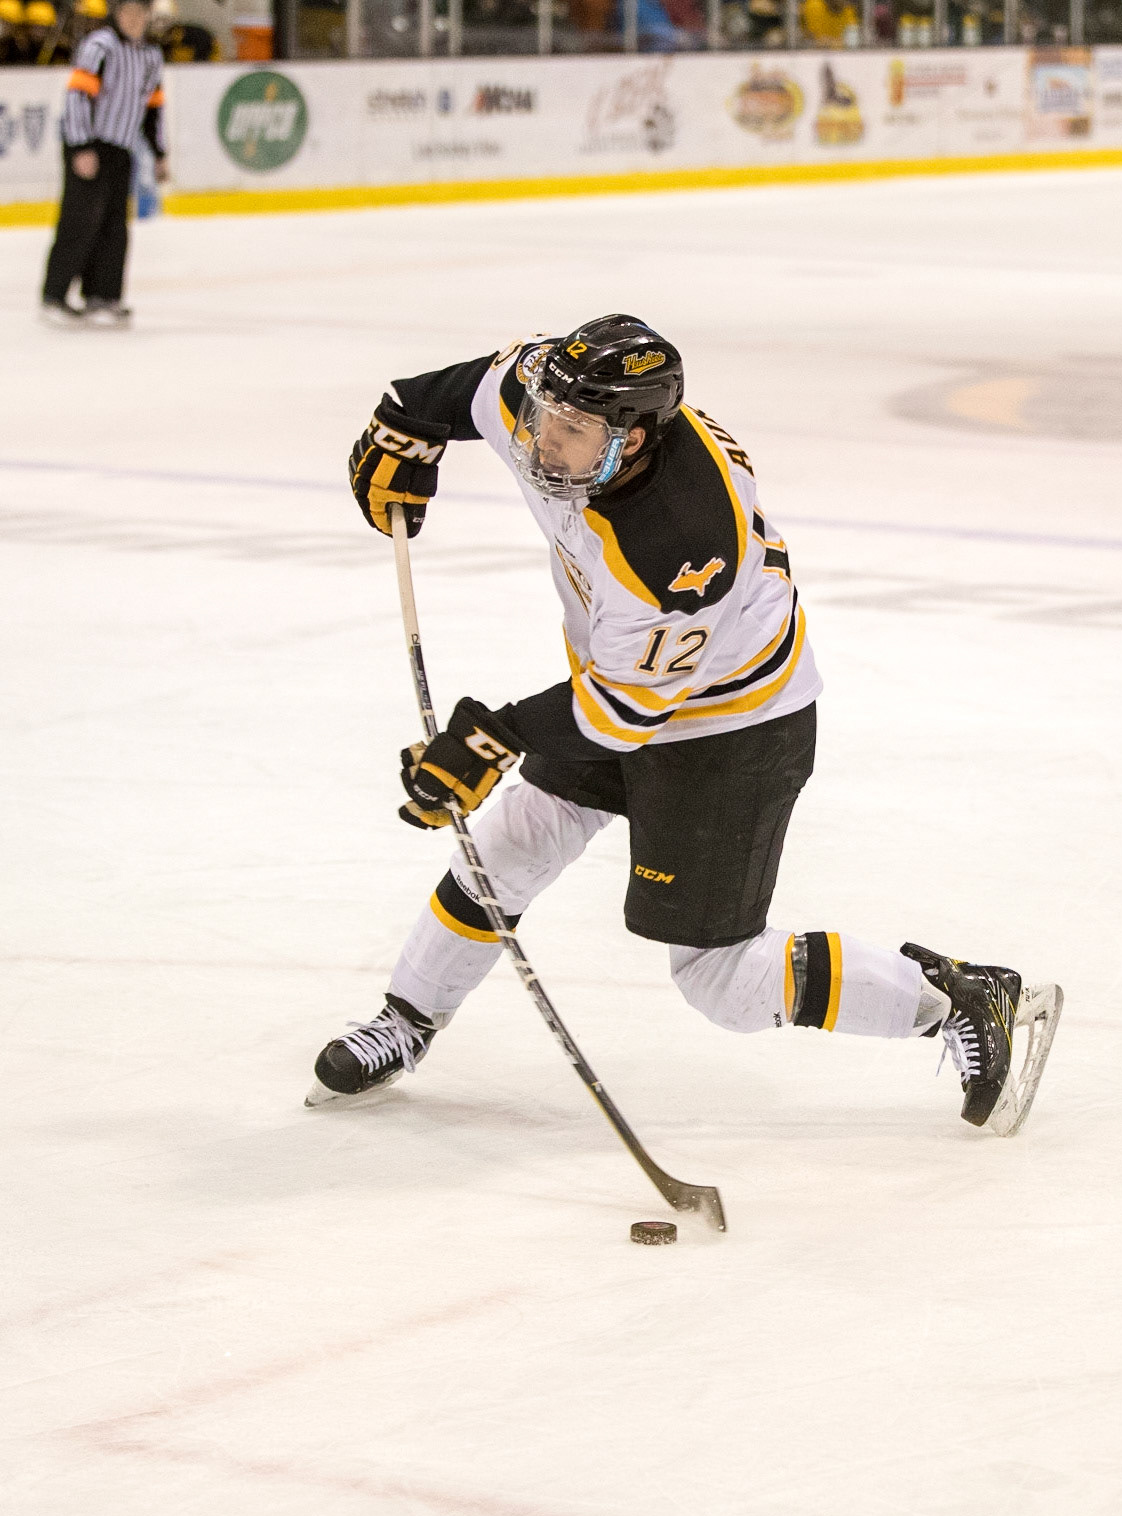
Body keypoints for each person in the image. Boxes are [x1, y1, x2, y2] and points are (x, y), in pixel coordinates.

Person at [309, 315, 1029, 1134]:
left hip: (731, 726)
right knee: (509, 847)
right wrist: (401, 426)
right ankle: (405, 1021)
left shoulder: (682, 544)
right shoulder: (549, 399)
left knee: (721, 979)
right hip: (624, 688)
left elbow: (617, 717)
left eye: (573, 434)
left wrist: (493, 736)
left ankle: (958, 997)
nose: (542, 444)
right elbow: (443, 394)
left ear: (637, 437)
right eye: (545, 418)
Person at [41, 0, 167, 327]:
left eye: (140, 12)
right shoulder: (100, 46)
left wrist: (159, 153)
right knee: (80, 219)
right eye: (127, 11)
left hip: (121, 148)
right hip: (89, 145)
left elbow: (153, 108)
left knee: (114, 225)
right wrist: (81, 145)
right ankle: (55, 295)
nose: (133, 19)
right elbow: (78, 96)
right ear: (117, 12)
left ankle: (104, 295)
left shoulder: (150, 56)